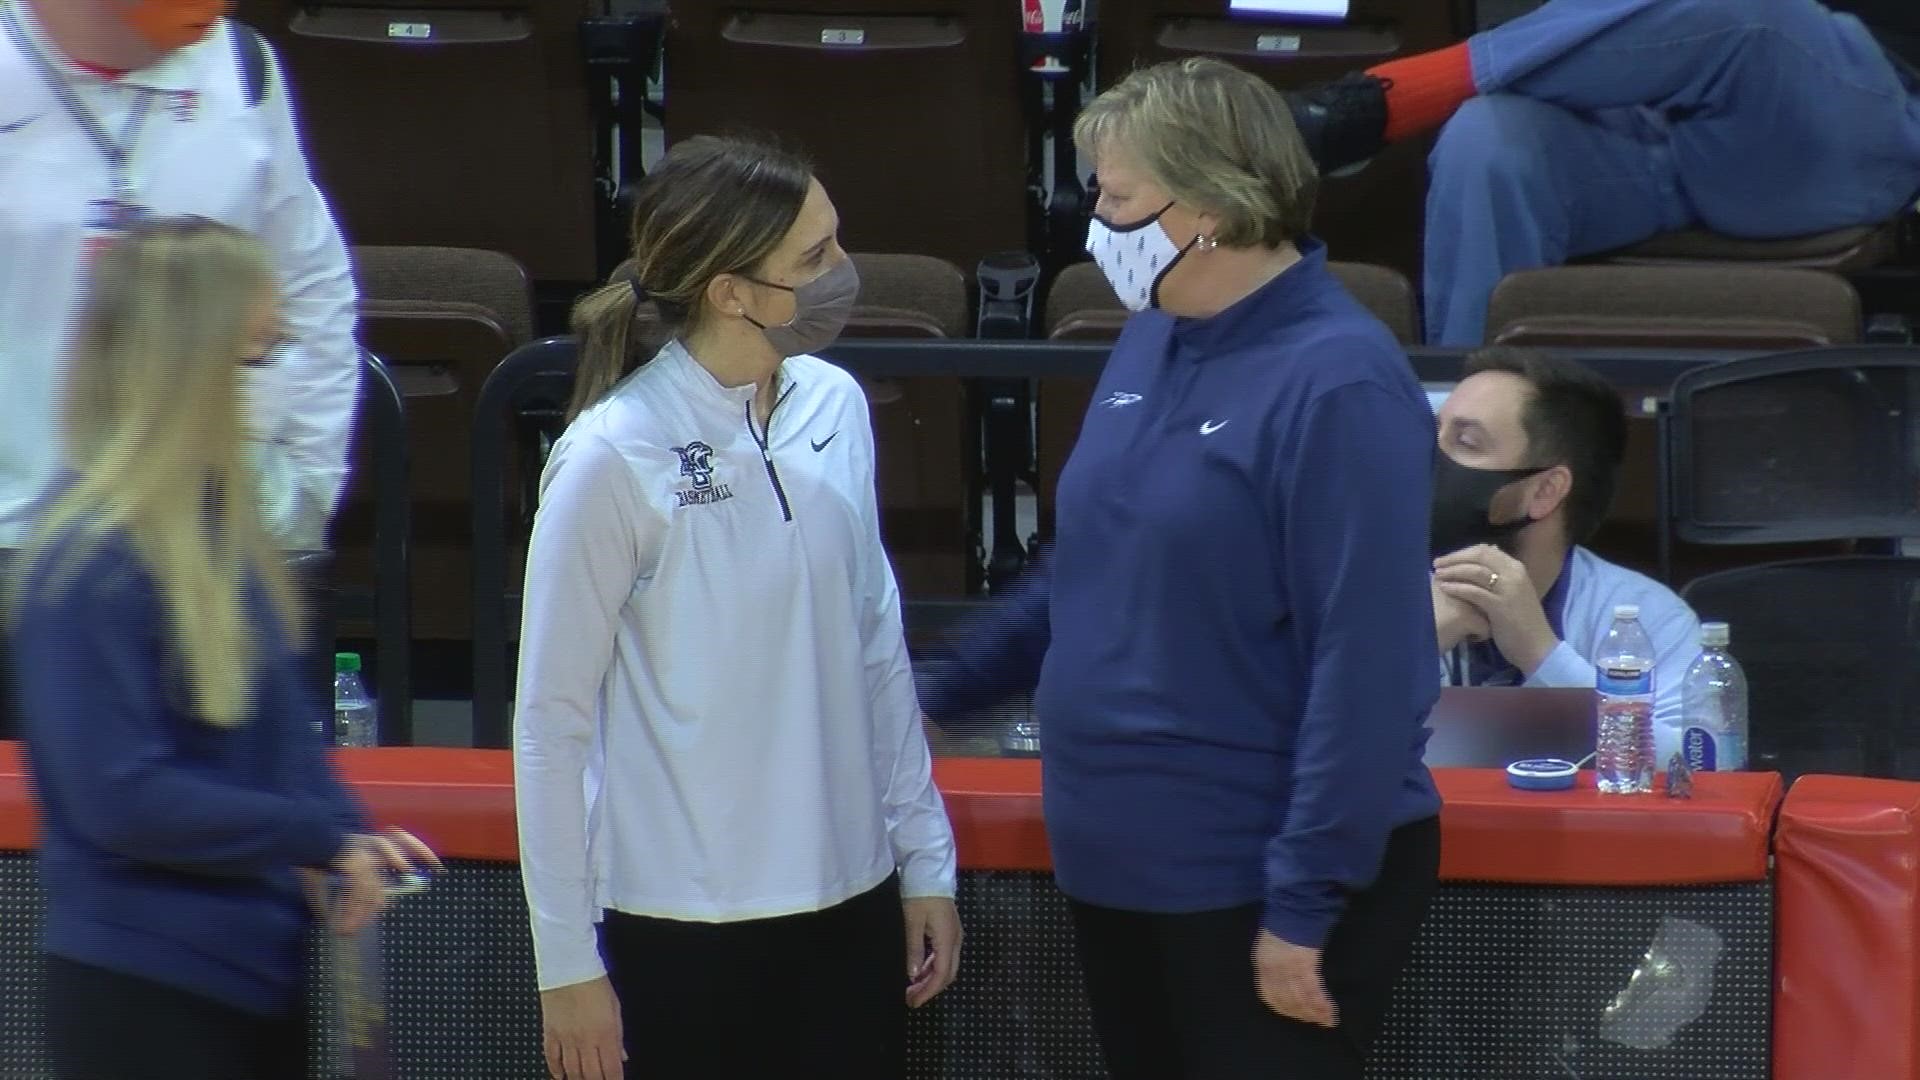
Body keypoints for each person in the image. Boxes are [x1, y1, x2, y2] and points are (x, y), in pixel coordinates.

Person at [919, 57, 1442, 1080]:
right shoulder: (1153, 335)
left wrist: (1303, 904)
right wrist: (942, 693)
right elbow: (1093, 564)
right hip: (1119, 858)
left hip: (1255, 876)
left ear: (1207, 205)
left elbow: (1371, 667)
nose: (1094, 225)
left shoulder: (1341, 380)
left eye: (1115, 199)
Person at [513, 134, 961, 1080]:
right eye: (815, 257)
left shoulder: (836, 406)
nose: (844, 273)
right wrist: (565, 965)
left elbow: (877, 643)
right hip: (678, 928)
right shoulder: (611, 455)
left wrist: (925, 860)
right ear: (730, 290)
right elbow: (551, 726)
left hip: (852, 906)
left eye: (837, 242)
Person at [8, 217, 437, 1080]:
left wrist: (345, 837)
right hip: (145, 992)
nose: (277, 383)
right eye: (258, 356)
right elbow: (122, 797)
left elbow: (281, 737)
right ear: (187, 371)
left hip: (257, 975)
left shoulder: (225, 539)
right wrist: (313, 834)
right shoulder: (88, 560)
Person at [1286, 0, 1920, 345]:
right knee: (1489, 137)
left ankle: (1387, 101)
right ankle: (1463, 424)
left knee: (1759, 14)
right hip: (1646, 120)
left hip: (1850, 108)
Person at [0, 0, 360, 550]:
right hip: (19, 530)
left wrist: (307, 491)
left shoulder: (242, 66)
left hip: (203, 542)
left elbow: (312, 285)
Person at [1430, 347, 1701, 760]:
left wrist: (1541, 654)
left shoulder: (1648, 618)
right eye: (1434, 434)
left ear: (1544, 491)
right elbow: (1303, 746)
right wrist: (1415, 648)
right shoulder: (1369, 589)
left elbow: (1697, 770)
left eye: (1465, 442)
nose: (1428, 458)